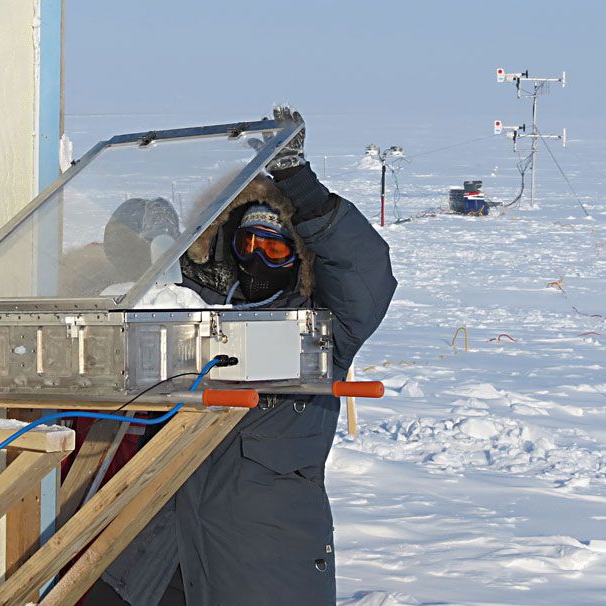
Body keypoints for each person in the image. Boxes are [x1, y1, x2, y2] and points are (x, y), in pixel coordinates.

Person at [85, 106, 398, 605]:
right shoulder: (193, 310)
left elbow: (367, 274)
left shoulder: (322, 329)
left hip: (264, 554)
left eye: (274, 250)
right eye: (246, 243)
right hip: (159, 548)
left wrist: (301, 187)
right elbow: (120, 297)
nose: (257, 258)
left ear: (299, 258)